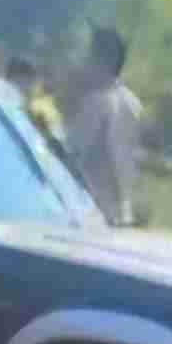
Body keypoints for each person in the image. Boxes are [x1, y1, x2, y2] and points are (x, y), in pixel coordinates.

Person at [60, 25, 145, 227]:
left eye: (89, 56)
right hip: (123, 213)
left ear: (102, 61)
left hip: (95, 214)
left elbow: (70, 154)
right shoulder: (132, 102)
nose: (84, 63)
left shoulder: (97, 103)